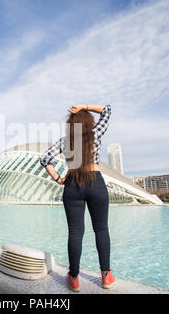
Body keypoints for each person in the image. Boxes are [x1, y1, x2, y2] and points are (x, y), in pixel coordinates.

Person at [39, 104, 115, 292]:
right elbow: (107, 109)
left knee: (75, 233)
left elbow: (44, 159)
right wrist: (85, 106)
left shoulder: (66, 141)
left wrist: (58, 178)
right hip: (95, 182)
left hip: (72, 184)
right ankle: (106, 276)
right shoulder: (96, 133)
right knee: (101, 229)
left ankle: (73, 277)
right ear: (88, 122)